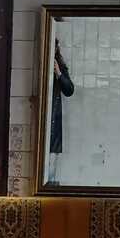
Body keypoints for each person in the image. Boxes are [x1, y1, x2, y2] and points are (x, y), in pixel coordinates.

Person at [47, 36, 74, 183]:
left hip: (54, 123)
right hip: (41, 123)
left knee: (51, 169)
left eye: (55, 47)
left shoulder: (59, 66)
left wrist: (58, 73)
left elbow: (69, 90)